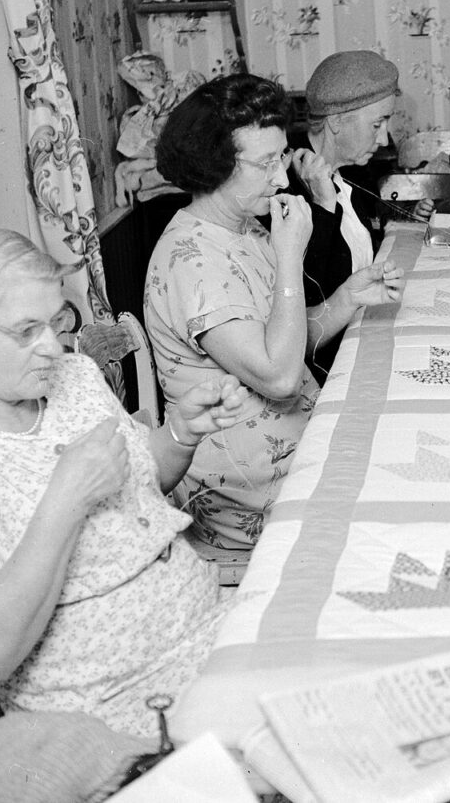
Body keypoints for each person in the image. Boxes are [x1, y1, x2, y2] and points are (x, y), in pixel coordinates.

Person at [0, 227, 250, 736]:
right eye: (24, 331)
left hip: (207, 627)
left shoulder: (76, 378)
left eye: (55, 323)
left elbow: (144, 485)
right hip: (113, 704)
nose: (51, 349)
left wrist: (180, 433)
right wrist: (65, 498)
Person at [147, 73, 403, 549]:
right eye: (265, 163)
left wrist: (348, 296)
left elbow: (284, 341)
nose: (282, 178)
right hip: (246, 494)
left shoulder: (244, 228)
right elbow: (280, 377)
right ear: (214, 165)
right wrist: (289, 255)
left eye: (281, 157)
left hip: (297, 452)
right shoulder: (193, 261)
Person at [286, 49, 399, 380]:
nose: (383, 139)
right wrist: (323, 207)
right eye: (377, 124)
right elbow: (304, 304)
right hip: (322, 372)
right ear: (335, 122)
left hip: (362, 340)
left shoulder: (354, 169)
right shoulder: (283, 187)